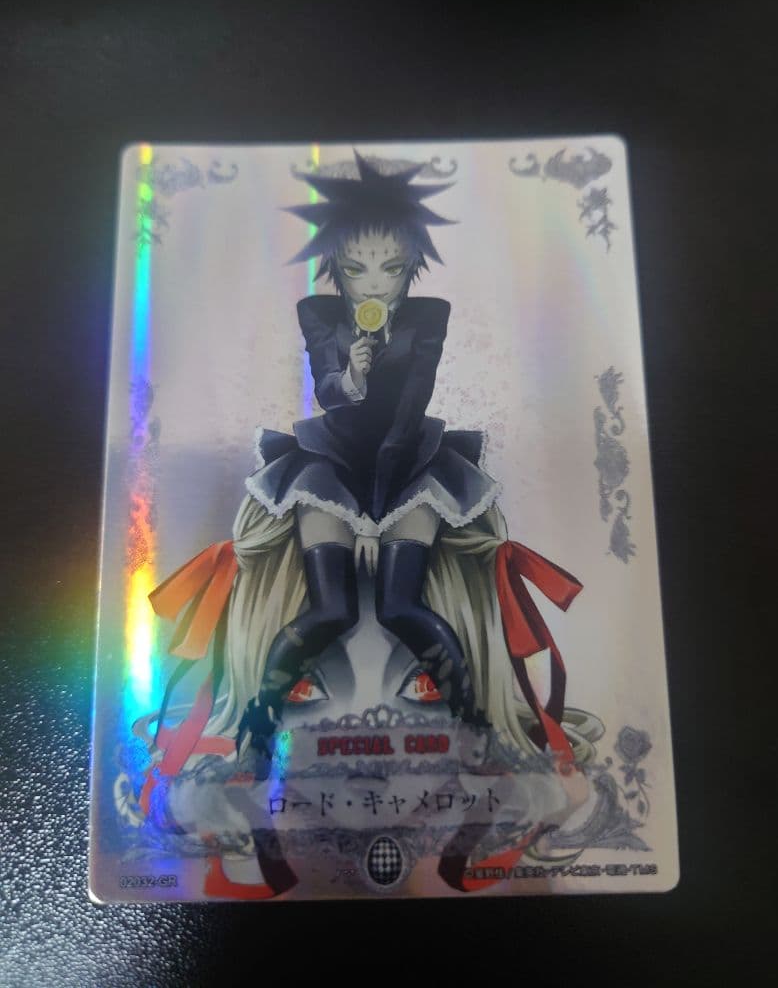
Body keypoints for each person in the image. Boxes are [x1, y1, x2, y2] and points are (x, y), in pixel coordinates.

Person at [143, 152, 588, 894]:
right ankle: (254, 740)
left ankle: (478, 735)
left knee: (404, 603)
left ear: (411, 265)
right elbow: (326, 388)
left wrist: (383, 501)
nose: (374, 283)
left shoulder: (428, 315)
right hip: (328, 464)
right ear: (336, 269)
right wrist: (349, 374)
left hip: (410, 466)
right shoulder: (318, 314)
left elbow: (411, 404)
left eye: (389, 267)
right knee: (330, 609)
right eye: (356, 269)